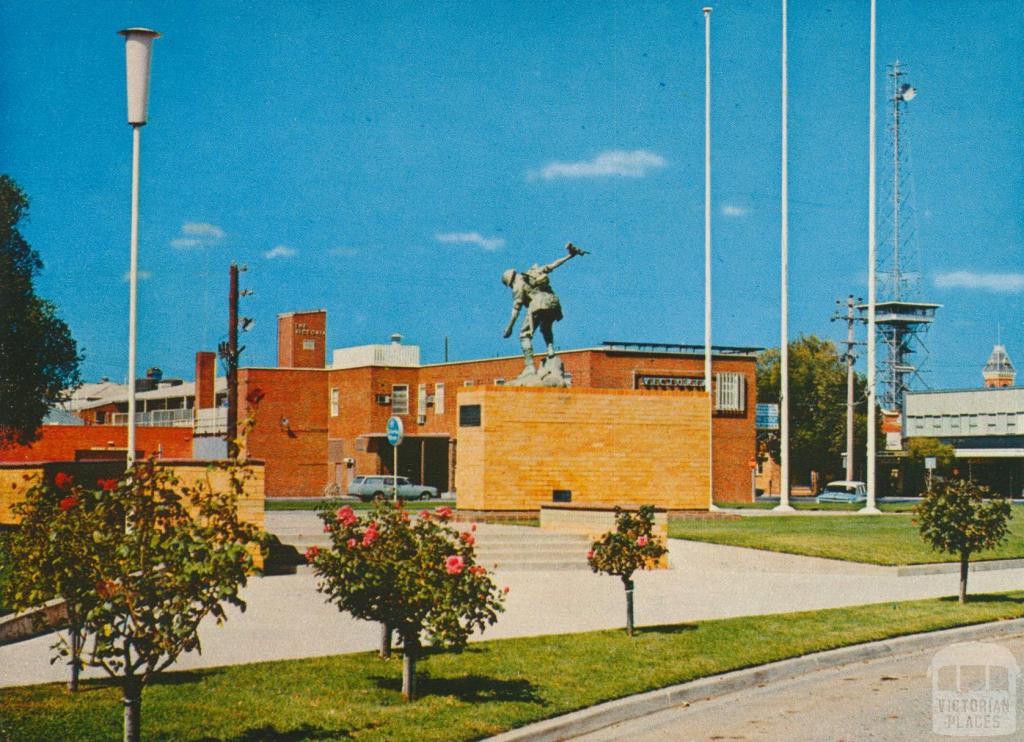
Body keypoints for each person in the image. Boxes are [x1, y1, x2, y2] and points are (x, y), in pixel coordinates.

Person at [502, 242, 587, 371]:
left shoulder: (517, 286)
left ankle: (530, 366)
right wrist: (570, 256)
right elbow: (553, 265)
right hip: (552, 302)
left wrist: (509, 328)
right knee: (546, 327)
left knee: (524, 335)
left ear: (510, 281)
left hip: (538, 305)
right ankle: (550, 348)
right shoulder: (533, 272)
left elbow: (516, 310)